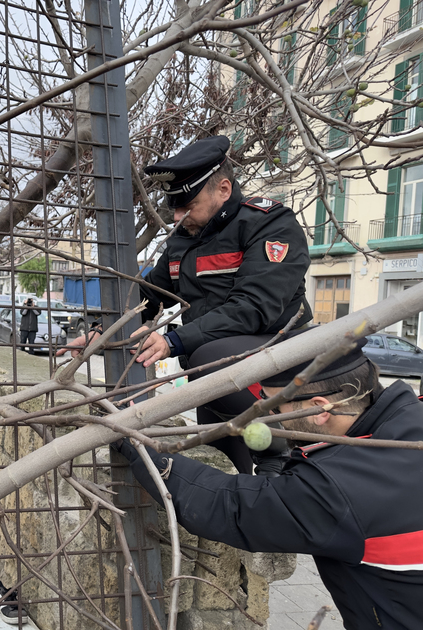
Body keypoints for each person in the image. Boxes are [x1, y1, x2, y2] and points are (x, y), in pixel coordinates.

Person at [113, 332, 423, 628]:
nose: (269, 414)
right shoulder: (410, 420)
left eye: (277, 406)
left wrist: (137, 446)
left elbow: (229, 506)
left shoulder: (340, 489)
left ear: (320, 409)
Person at [58, 135, 312, 475]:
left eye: (186, 205)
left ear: (223, 189)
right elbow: (149, 298)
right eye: (173, 206)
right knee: (216, 437)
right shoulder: (184, 239)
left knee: (204, 360)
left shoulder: (268, 224)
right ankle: (253, 481)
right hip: (217, 361)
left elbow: (254, 307)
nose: (177, 216)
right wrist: (101, 333)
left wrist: (173, 341)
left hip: (275, 352)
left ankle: (284, 451)